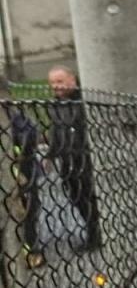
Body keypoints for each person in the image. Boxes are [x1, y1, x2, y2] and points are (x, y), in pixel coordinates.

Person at [45, 66, 99, 251]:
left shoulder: (83, 101)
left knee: (90, 196)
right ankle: (92, 233)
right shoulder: (55, 106)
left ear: (72, 80)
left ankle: (97, 234)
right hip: (68, 161)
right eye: (52, 83)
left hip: (85, 158)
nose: (56, 87)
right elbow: (55, 131)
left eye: (59, 81)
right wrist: (51, 155)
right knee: (77, 198)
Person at [2, 79, 43, 269]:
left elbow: (29, 135)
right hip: (14, 173)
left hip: (23, 172)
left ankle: (30, 252)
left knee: (27, 213)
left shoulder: (12, 115)